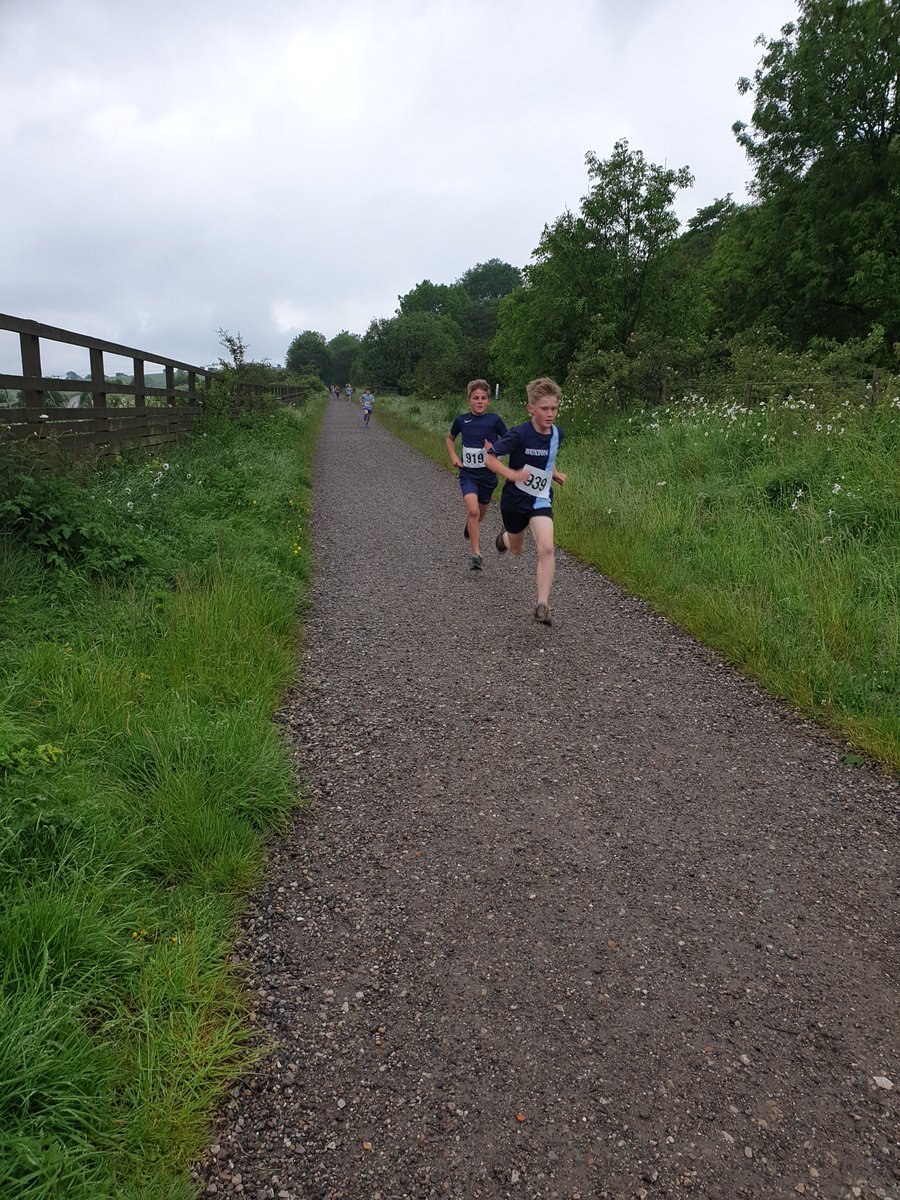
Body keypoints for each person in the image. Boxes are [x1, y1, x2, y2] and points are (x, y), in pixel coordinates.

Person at [484, 377, 567, 624]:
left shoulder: (557, 434)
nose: (550, 414)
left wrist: (554, 473)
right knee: (518, 549)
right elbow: (490, 458)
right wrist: (511, 474)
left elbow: (546, 459)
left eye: (554, 408)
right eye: (544, 409)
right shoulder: (519, 434)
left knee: (547, 546)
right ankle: (505, 538)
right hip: (515, 500)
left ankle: (542, 604)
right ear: (531, 408)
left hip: (541, 499)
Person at [446, 379, 507, 571]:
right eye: (475, 398)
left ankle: (470, 526)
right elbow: (449, 439)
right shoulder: (461, 420)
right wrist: (454, 455)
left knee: (479, 514)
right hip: (468, 474)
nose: (479, 401)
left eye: (483, 398)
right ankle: (476, 554)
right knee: (472, 511)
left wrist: (495, 449)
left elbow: (508, 442)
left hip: (488, 477)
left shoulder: (495, 420)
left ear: (489, 400)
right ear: (468, 400)